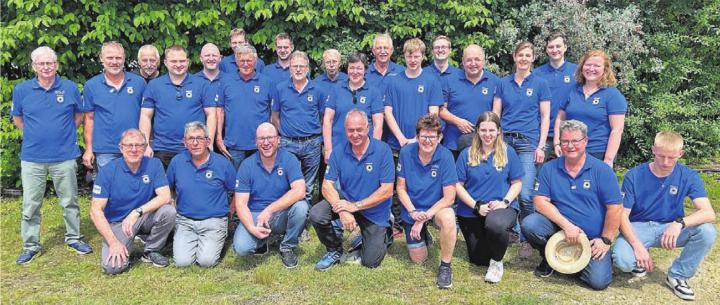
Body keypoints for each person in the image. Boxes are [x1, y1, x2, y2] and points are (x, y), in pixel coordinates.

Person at [612, 131, 716, 301]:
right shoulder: (634, 175)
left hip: (670, 227)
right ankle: (638, 258)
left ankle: (677, 276)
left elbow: (708, 213)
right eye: (661, 156)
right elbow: (622, 216)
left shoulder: (689, 175)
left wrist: (679, 223)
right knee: (622, 261)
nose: (666, 162)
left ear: (680, 154)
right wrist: (637, 246)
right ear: (653, 150)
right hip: (639, 226)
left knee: (707, 231)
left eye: (671, 157)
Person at [12, 46, 93, 265]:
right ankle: (30, 245)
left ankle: (74, 238)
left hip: (64, 155)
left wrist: (63, 134)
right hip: (32, 157)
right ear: (33, 66)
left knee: (70, 201)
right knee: (31, 204)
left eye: (50, 63)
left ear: (56, 65)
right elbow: (18, 119)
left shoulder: (68, 87)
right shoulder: (21, 90)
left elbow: (79, 115)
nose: (46, 67)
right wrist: (35, 135)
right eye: (41, 64)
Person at [521, 120, 622, 290]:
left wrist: (605, 240)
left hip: (592, 239)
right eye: (565, 141)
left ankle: (567, 259)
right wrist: (567, 226)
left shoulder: (602, 170)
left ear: (585, 141)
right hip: (559, 232)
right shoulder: (549, 168)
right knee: (530, 224)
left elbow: (615, 208)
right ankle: (550, 258)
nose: (570, 146)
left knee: (599, 282)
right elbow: (539, 202)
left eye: (575, 141)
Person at [309, 109, 395, 270]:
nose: (355, 134)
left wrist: (355, 207)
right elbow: (327, 185)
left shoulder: (383, 150)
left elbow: (387, 190)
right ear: (345, 130)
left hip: (374, 211)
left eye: (359, 129)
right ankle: (334, 249)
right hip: (348, 201)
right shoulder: (339, 151)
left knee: (370, 262)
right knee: (316, 214)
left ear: (367, 128)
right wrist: (342, 211)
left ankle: (386, 231)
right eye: (350, 130)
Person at [492, 41, 551, 256]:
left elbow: (545, 117)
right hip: (505, 141)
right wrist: (496, 140)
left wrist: (541, 145)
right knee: (506, 189)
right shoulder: (503, 83)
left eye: (528, 55)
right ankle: (512, 231)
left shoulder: (540, 84)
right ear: (514, 57)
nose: (524, 59)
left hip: (528, 143)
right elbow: (496, 114)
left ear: (533, 58)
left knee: (525, 194)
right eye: (520, 55)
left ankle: (527, 236)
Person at [89, 129, 176, 274]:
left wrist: (136, 212)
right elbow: (95, 211)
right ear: (121, 148)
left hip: (144, 216)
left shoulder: (154, 165)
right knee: (112, 267)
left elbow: (165, 196)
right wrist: (113, 242)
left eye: (139, 145)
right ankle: (122, 244)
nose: (134, 149)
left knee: (169, 211)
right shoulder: (108, 171)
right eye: (129, 145)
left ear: (145, 146)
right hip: (119, 223)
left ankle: (151, 250)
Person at [455, 112, 523, 283]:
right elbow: (457, 185)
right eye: (483, 130)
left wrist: (504, 202)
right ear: (477, 131)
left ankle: (497, 263)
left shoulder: (509, 153)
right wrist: (476, 206)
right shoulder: (466, 154)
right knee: (479, 260)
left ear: (499, 131)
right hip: (472, 210)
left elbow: (517, 183)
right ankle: (493, 246)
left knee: (496, 225)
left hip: (499, 206)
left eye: (491, 130)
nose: (487, 134)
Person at [232, 123, 309, 268]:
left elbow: (300, 191)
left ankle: (287, 246)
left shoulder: (289, 159)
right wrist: (251, 227)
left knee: (301, 207)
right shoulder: (247, 165)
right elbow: (240, 204)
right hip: (255, 215)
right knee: (242, 249)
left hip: (280, 214)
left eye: (270, 138)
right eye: (262, 138)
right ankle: (263, 239)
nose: (266, 142)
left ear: (278, 140)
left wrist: (269, 210)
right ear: (256, 142)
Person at [396, 114, 458, 289]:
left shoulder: (446, 156)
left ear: (439, 138)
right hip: (413, 209)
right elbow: (400, 188)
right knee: (419, 259)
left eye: (432, 137)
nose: (428, 141)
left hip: (436, 208)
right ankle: (425, 235)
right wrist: (414, 213)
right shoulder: (406, 153)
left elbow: (449, 197)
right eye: (424, 136)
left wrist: (424, 217)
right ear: (417, 137)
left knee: (448, 217)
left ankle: (445, 267)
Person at [167, 122, 235, 268]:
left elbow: (237, 192)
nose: (195, 143)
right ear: (185, 142)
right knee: (182, 262)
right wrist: (173, 204)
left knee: (206, 262)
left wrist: (230, 213)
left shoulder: (223, 164)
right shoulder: (177, 162)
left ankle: (217, 239)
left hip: (214, 220)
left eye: (200, 138)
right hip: (185, 221)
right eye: (191, 139)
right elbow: (168, 189)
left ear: (208, 141)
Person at [140, 45, 217, 168]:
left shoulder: (202, 84)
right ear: (165, 62)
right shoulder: (154, 85)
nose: (178, 64)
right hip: (163, 149)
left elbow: (211, 114)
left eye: (182, 61)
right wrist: (145, 144)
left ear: (187, 62)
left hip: (195, 146)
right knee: (163, 187)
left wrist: (210, 142)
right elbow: (145, 116)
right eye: (174, 61)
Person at [271, 51, 329, 203]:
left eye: (301, 66)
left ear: (307, 68)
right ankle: (288, 214)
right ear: (290, 68)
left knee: (309, 184)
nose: (298, 69)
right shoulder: (280, 88)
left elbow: (323, 117)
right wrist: (283, 133)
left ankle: (304, 217)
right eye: (295, 66)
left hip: (312, 143)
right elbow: (275, 116)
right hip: (288, 143)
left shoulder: (318, 90)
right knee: (288, 181)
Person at [554, 50, 627, 168]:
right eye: (588, 65)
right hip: (571, 151)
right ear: (582, 67)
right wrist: (557, 142)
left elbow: (617, 130)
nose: (591, 68)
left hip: (597, 153)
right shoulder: (571, 90)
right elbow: (560, 119)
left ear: (605, 70)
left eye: (597, 66)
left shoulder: (612, 95)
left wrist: (608, 159)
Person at [83, 41, 146, 170]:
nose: (114, 61)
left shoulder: (139, 83)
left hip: (134, 147)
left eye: (118, 58)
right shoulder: (91, 85)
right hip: (106, 149)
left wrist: (146, 144)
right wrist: (88, 149)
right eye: (110, 58)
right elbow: (89, 119)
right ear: (101, 59)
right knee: (108, 187)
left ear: (124, 59)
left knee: (134, 186)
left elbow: (146, 116)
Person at [216, 43, 274, 169]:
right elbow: (219, 111)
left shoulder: (267, 82)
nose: (246, 64)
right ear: (236, 61)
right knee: (235, 183)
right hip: (234, 144)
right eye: (242, 61)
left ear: (256, 61)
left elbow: (273, 113)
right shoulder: (226, 81)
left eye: (249, 60)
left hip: (261, 144)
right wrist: (219, 138)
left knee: (260, 182)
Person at [439, 44, 499, 156]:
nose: (473, 64)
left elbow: (496, 113)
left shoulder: (495, 81)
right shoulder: (449, 80)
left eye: (477, 59)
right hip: (453, 144)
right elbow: (441, 110)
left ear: (484, 60)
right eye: (469, 60)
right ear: (462, 61)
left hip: (484, 144)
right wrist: (458, 122)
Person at [322, 52, 384, 160]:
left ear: (365, 70)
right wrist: (328, 149)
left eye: (359, 68)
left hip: (364, 152)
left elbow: (377, 125)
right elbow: (327, 120)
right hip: (338, 149)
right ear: (347, 69)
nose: (355, 72)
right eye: (352, 68)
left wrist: (374, 151)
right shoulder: (336, 89)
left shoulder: (374, 92)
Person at [534, 32, 577, 159]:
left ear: (565, 47)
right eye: (551, 47)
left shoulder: (577, 72)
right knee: (534, 171)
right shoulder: (537, 74)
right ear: (546, 50)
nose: (555, 50)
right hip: (542, 134)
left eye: (558, 46)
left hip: (569, 133)